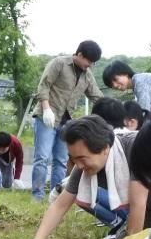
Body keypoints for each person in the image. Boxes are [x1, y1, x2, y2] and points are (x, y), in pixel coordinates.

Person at [12, 115, 151, 239]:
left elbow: (138, 205)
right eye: (74, 159)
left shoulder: (135, 148)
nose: (78, 166)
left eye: (82, 158)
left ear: (104, 148)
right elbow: (60, 205)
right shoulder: (84, 167)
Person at [31, 40, 103, 200]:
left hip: (66, 122)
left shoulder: (87, 75)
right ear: (80, 54)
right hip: (47, 117)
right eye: (89, 61)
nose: (90, 65)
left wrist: (113, 109)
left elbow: (96, 96)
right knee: (42, 157)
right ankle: (37, 196)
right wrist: (46, 108)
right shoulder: (59, 63)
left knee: (61, 160)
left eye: (93, 62)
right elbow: (44, 85)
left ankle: (56, 196)